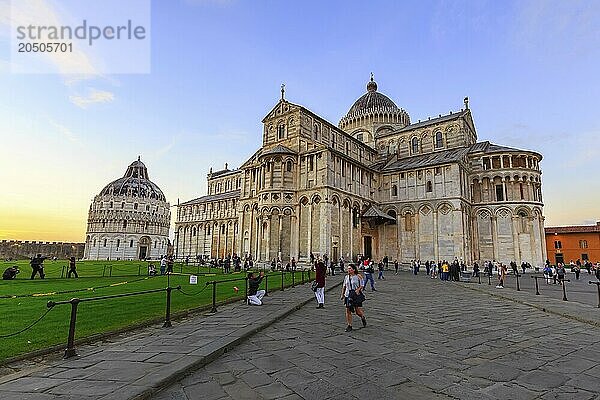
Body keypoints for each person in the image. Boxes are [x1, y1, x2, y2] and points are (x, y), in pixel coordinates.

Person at [340, 264, 367, 332]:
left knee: (357, 311)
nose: (348, 270)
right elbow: (344, 286)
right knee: (348, 310)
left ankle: (362, 317)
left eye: (350, 268)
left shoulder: (358, 276)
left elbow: (362, 284)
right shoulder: (346, 277)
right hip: (348, 295)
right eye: (348, 268)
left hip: (355, 295)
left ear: (354, 270)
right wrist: (342, 294)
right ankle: (349, 325)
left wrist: (358, 289)